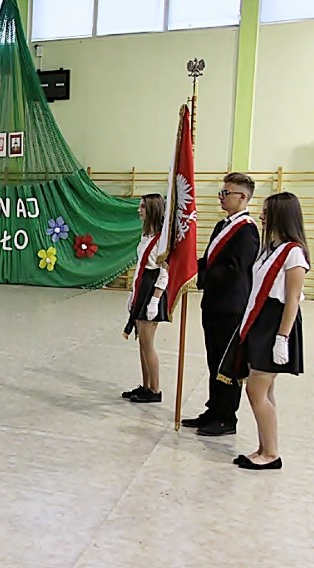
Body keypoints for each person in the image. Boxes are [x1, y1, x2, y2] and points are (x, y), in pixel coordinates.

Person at [227, 193, 308, 470]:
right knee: (264, 389)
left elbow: (293, 299)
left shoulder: (293, 252)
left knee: (256, 389)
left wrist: (282, 339)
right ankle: (264, 447)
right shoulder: (270, 248)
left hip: (276, 325)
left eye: (266, 212)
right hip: (260, 322)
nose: (260, 216)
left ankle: (272, 453)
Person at [182, 173, 259, 436]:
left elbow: (234, 270)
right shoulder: (221, 226)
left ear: (243, 197)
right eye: (221, 192)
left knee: (228, 365)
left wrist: (201, 277)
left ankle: (227, 418)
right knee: (213, 360)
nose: (221, 197)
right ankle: (214, 409)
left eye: (226, 193)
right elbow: (210, 261)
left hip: (231, 307)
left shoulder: (247, 231)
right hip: (213, 304)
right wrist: (190, 271)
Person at [121, 193, 170, 403]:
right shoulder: (146, 236)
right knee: (141, 342)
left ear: (152, 210)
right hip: (143, 287)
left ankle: (155, 390)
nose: (139, 210)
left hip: (153, 289)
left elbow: (165, 271)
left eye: (142, 207)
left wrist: (155, 299)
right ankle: (146, 385)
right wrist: (134, 294)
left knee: (148, 343)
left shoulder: (161, 240)